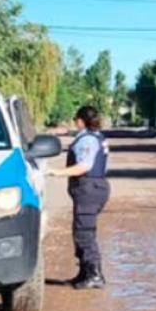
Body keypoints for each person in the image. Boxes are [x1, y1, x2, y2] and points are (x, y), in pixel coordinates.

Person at [47, 106, 111, 289]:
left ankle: (95, 274)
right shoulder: (97, 137)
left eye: (76, 119)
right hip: (93, 187)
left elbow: (85, 166)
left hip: (88, 188)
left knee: (84, 233)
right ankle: (84, 273)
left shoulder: (87, 140)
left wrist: (56, 172)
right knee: (81, 231)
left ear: (81, 121)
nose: (75, 122)